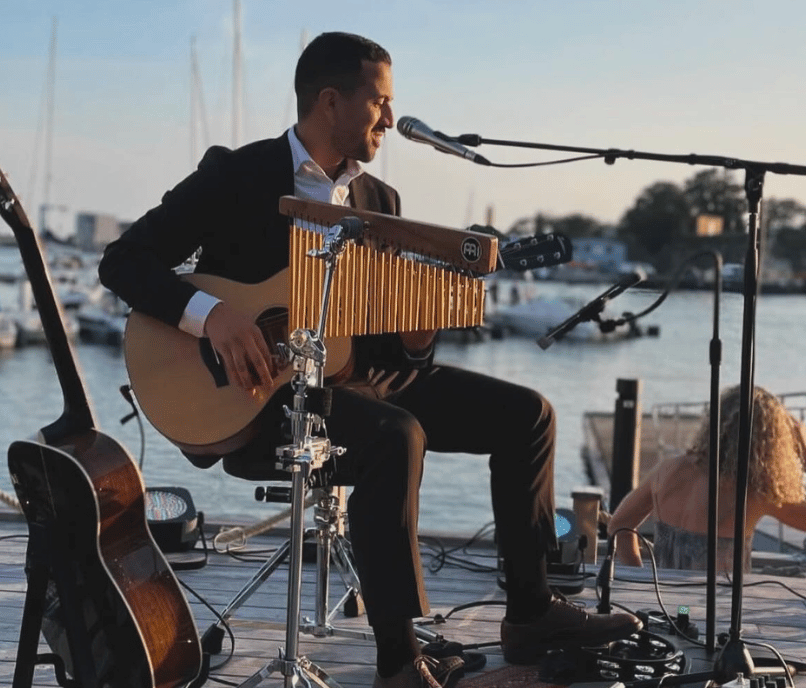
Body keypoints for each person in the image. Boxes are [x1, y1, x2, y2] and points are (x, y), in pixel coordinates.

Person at [99, 31, 641, 688]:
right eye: (380, 102)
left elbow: (393, 355)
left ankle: (530, 613)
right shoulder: (237, 176)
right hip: (263, 397)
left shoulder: (382, 205)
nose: (391, 119)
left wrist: (417, 336)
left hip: (361, 383)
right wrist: (213, 316)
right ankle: (398, 658)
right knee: (396, 436)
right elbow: (122, 261)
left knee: (529, 414)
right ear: (330, 102)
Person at [607, 385, 806, 572]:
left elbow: (619, 524)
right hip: (718, 616)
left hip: (667, 609)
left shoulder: (667, 470)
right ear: (770, 441)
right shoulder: (753, 492)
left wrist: (639, 579)